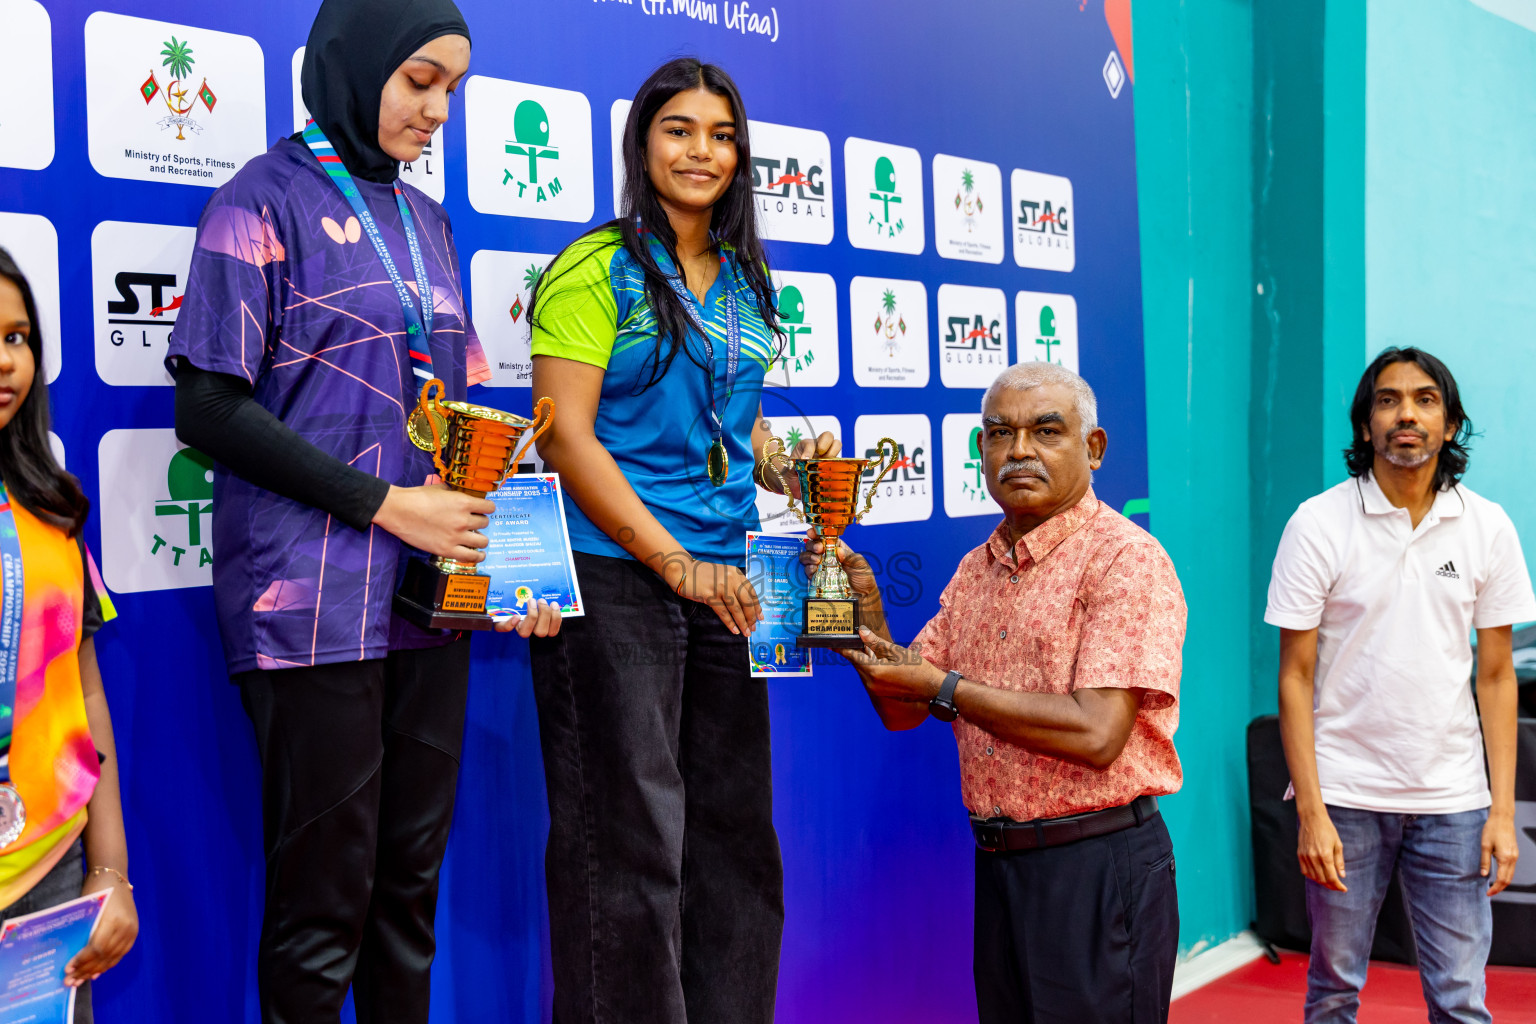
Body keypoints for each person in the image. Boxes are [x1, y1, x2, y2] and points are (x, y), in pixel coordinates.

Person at [169, 2, 559, 1020]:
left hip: (426, 607)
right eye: (420, 80)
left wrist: (519, 567)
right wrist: (387, 505)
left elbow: (464, 416)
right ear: (355, 62)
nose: (438, 110)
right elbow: (208, 407)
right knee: (320, 910)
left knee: (406, 896)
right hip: (308, 611)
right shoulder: (261, 199)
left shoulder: (427, 220)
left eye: (454, 91)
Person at [527, 57, 835, 1024]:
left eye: (722, 134)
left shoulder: (748, 279)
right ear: (642, 143)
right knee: (630, 844)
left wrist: (798, 473)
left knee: (738, 840)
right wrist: (676, 563)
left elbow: (728, 429)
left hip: (730, 582)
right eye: (679, 130)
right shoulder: (595, 267)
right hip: (618, 576)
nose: (702, 151)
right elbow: (567, 437)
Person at [810, 360, 1186, 1024]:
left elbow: (1097, 733)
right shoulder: (976, 569)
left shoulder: (1126, 559)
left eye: (1046, 432)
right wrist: (866, 610)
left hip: (1098, 871)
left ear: (1093, 449)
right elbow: (903, 709)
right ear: (980, 451)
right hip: (1003, 871)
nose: (1019, 451)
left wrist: (945, 688)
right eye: (999, 433)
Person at [1267, 347, 1530, 1024]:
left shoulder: (1488, 526)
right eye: (1387, 400)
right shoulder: (1318, 524)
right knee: (1333, 994)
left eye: (1424, 399)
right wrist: (1312, 812)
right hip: (1346, 796)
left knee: (1461, 1001)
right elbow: (1294, 678)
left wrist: (1502, 811)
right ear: (1364, 427)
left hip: (1455, 801)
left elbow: (1497, 676)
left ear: (1450, 424)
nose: (1405, 413)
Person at [0, 248, 138, 1021]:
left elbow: (84, 688)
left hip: (48, 884)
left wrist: (109, 871)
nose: (4, 361)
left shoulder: (52, 509)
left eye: (17, 337)